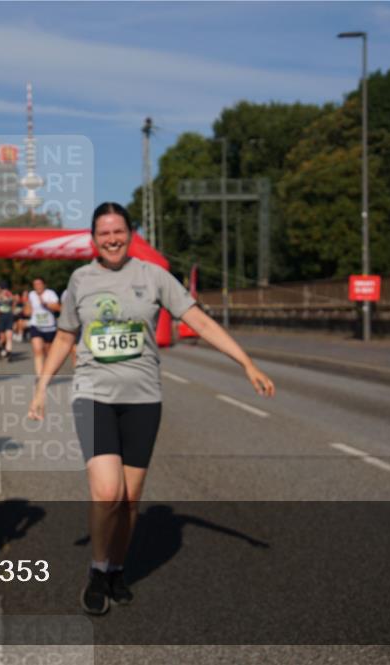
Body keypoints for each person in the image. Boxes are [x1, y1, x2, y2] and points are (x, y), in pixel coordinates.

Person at [28, 202, 275, 616]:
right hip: (93, 395)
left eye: (118, 232)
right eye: (104, 233)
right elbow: (66, 337)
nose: (112, 239)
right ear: (93, 239)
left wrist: (246, 363)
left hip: (143, 398)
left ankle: (117, 569)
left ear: (130, 233)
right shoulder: (80, 280)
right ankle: (97, 570)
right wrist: (41, 387)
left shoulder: (154, 276)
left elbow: (200, 321)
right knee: (107, 491)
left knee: (129, 499)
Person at [23, 276, 60, 377]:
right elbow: (27, 312)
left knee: (48, 353)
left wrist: (46, 304)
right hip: (36, 326)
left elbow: (58, 307)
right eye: (35, 284)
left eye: (39, 284)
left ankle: (48, 373)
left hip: (50, 327)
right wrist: (26, 303)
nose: (37, 286)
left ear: (44, 285)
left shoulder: (50, 293)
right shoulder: (31, 294)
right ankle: (39, 376)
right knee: (38, 350)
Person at [0, 282, 15, 360]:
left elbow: (13, 302)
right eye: (3, 288)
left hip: (9, 316)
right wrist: (1, 295)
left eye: (6, 288)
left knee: (9, 336)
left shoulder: (10, 295)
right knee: (2, 338)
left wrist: (9, 296)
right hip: (1, 317)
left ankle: (9, 353)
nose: (5, 290)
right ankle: (0, 349)